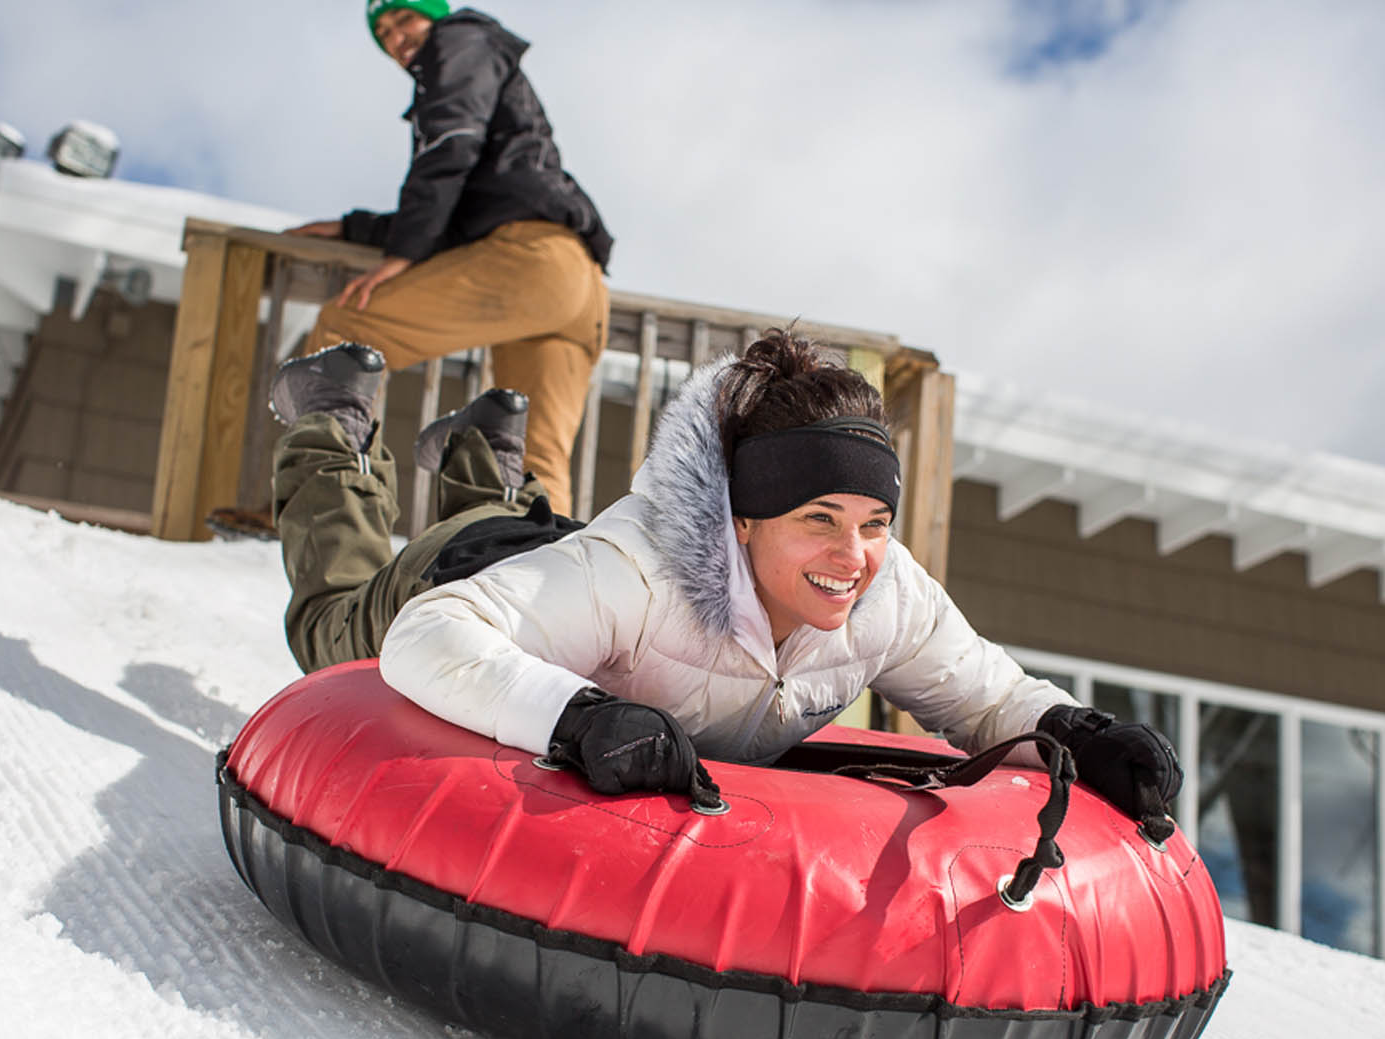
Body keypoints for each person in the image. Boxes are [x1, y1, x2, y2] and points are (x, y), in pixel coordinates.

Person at [268, 328, 1184, 840]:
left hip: (553, 556)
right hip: (464, 574)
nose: (852, 555)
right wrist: (580, 718)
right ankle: (331, 421)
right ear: (741, 522)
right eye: (818, 520)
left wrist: (1080, 733)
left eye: (874, 524)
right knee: (333, 617)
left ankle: (479, 451)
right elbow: (429, 639)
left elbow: (990, 697)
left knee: (541, 535)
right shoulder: (643, 572)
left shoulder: (886, 592)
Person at [285, 0, 613, 517]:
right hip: (578, 286)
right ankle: (546, 585)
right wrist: (357, 228)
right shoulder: (480, 57)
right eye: (384, 32)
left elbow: (450, 144)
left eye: (404, 17)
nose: (397, 36)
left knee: (345, 328)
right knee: (533, 461)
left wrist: (401, 253)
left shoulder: (459, 40)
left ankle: (312, 508)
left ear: (433, 14)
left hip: (530, 261)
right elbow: (460, 211)